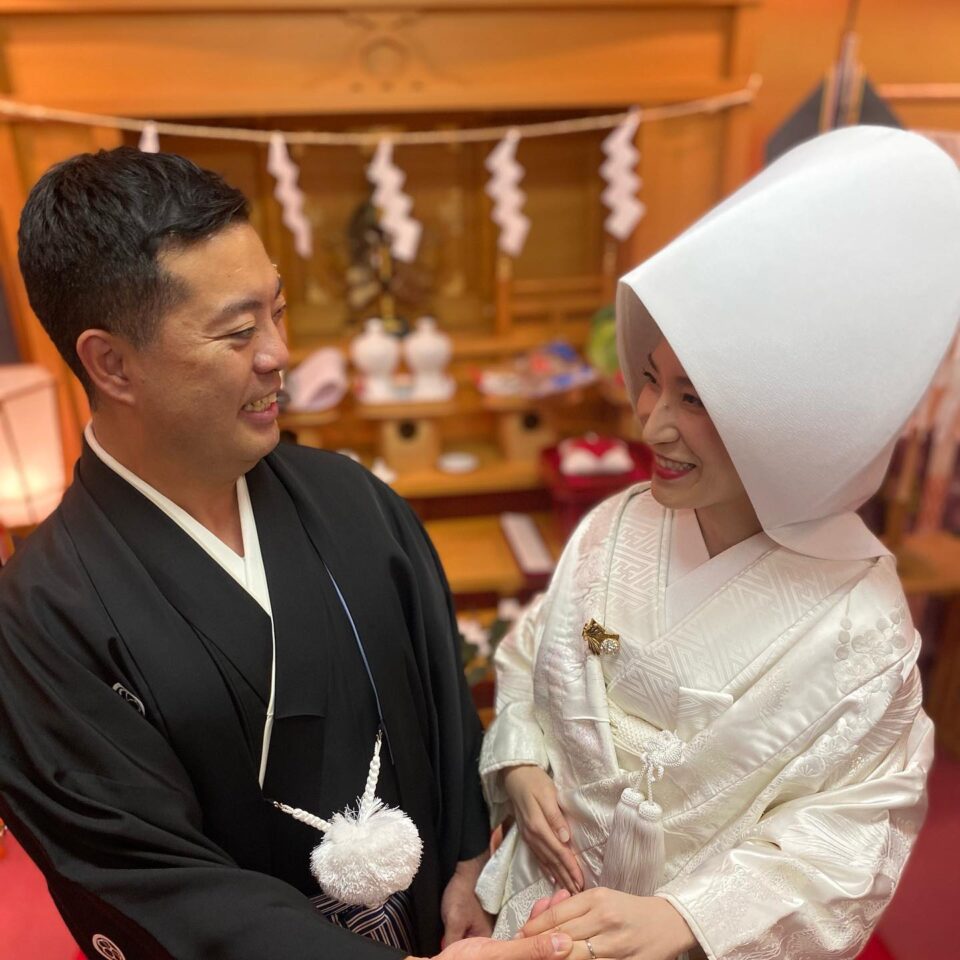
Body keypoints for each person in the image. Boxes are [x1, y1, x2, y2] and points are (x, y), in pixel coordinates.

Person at [0, 146, 575, 960]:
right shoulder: (40, 614)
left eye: (276, 309)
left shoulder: (351, 499)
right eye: (238, 331)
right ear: (111, 363)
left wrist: (467, 858)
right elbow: (143, 875)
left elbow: (442, 695)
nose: (278, 352)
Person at [475, 125, 960, 960]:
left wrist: (685, 919)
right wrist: (521, 763)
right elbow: (529, 659)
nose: (653, 422)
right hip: (543, 914)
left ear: (789, 421)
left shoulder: (862, 627)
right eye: (652, 378)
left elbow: (845, 840)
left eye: (697, 398)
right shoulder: (618, 525)